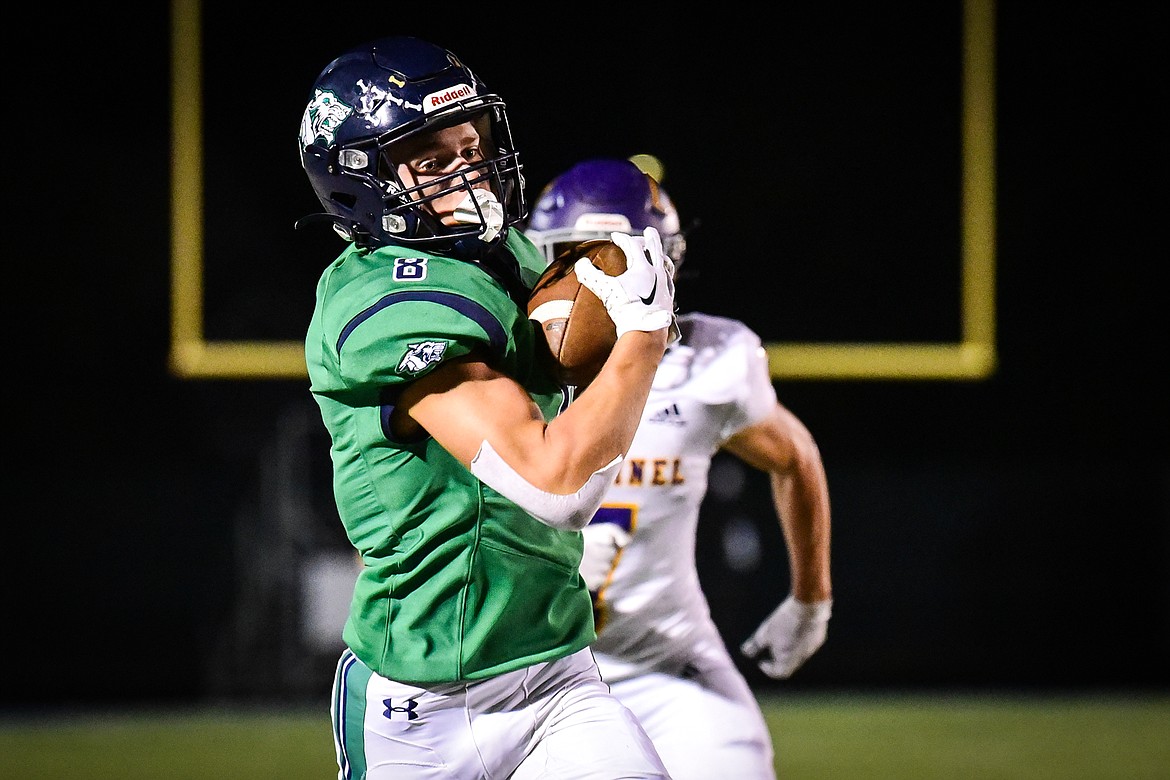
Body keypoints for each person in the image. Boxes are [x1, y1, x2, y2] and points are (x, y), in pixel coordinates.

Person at [297, 40, 678, 779]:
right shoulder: (384, 298)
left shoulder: (512, 257)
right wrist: (643, 337)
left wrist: (614, 308)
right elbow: (554, 483)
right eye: (433, 161)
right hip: (425, 699)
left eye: (471, 147)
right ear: (357, 181)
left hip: (560, 673)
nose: (469, 173)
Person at [525, 158, 834, 780]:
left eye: (601, 264)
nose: (579, 288)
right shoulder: (497, 369)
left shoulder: (709, 366)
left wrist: (811, 599)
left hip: (666, 664)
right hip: (527, 679)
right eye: (564, 263)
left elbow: (794, 457)